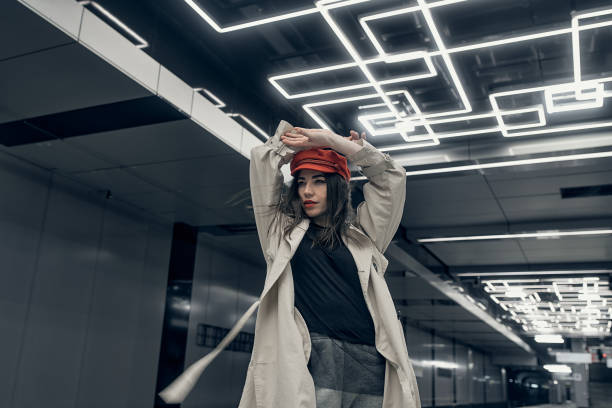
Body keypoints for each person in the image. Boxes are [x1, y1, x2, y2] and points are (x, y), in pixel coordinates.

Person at [158, 121, 420, 408]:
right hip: (317, 356)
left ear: (337, 187)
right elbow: (263, 160)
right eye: (302, 181)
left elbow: (392, 179)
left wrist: (333, 141)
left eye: (318, 181)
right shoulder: (280, 232)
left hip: (371, 361)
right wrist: (298, 143)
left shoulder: (364, 237)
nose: (307, 190)